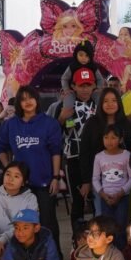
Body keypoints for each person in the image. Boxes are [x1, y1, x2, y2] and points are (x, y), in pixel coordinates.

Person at [0, 86, 64, 260]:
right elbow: (1, 148)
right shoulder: (10, 124)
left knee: (48, 224)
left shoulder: (49, 123)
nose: (27, 102)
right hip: (21, 187)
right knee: (22, 226)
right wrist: (8, 169)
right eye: (23, 99)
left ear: (37, 100)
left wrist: (55, 177)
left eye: (31, 97)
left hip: (44, 183)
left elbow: (56, 152)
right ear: (18, 102)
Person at [56, 67, 98, 232]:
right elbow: (54, 131)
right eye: (81, 85)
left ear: (94, 85)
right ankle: (77, 240)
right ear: (73, 86)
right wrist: (62, 118)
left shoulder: (99, 104)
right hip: (73, 158)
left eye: (88, 85)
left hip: (96, 159)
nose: (85, 89)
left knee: (96, 201)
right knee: (77, 202)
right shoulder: (64, 105)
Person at [0, 161, 38, 260]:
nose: (10, 179)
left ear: (23, 182)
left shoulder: (30, 199)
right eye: (8, 174)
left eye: (16, 176)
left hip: (21, 242)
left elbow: (25, 226)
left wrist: (2, 240)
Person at [79, 87, 131, 189]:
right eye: (106, 101)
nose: (110, 104)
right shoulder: (92, 123)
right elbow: (84, 152)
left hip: (123, 178)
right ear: (100, 104)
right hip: (97, 179)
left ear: (119, 103)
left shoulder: (126, 124)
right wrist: (86, 181)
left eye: (114, 101)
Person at [92, 124, 131, 245]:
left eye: (113, 137)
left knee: (121, 227)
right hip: (105, 198)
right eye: (106, 137)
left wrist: (120, 193)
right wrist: (102, 194)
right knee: (107, 228)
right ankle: (110, 254)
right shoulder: (99, 157)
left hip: (122, 198)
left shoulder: (127, 155)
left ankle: (122, 254)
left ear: (121, 139)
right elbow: (95, 178)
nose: (109, 141)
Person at [59, 40, 107, 113]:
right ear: (76, 55)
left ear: (91, 56)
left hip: (92, 91)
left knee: (100, 101)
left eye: (87, 56)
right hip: (73, 91)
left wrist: (98, 88)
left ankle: (102, 117)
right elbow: (64, 78)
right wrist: (66, 89)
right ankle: (69, 122)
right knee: (68, 104)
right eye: (81, 55)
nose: (84, 58)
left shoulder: (93, 66)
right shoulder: (72, 66)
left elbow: (100, 79)